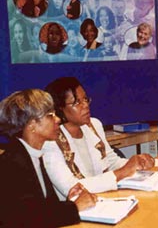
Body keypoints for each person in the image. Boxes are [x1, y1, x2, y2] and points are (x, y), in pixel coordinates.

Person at [43, 77, 155, 200]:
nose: (85, 105)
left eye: (85, 99)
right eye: (77, 102)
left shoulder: (94, 125)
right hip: (77, 210)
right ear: (59, 108)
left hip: (104, 199)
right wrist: (123, 172)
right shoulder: (50, 140)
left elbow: (111, 163)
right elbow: (72, 188)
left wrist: (138, 162)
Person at [0, 89, 97, 228]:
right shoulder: (11, 164)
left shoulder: (33, 154)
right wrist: (74, 207)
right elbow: (25, 219)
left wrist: (69, 200)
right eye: (50, 115)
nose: (58, 119)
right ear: (32, 125)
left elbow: (39, 208)